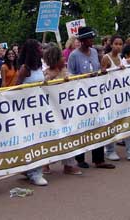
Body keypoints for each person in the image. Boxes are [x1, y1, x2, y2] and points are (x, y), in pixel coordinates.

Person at [68, 27, 115, 170]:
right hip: (81, 97)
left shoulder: (94, 52)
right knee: (82, 127)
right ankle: (80, 158)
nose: (92, 41)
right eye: (89, 38)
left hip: (96, 95)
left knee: (98, 124)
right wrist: (83, 78)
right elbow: (70, 75)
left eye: (92, 38)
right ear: (82, 41)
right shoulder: (74, 56)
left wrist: (101, 73)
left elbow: (97, 69)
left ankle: (99, 159)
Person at [101, 39, 130, 161]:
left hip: (122, 97)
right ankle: (110, 150)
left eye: (120, 44)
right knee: (112, 123)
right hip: (111, 97)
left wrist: (129, 65)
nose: (118, 46)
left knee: (128, 120)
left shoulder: (121, 58)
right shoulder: (106, 58)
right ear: (111, 45)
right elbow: (101, 75)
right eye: (116, 44)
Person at [42, 43, 82, 175]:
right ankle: (45, 163)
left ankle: (68, 164)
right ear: (54, 59)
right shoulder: (46, 74)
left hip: (66, 109)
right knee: (49, 136)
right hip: (51, 111)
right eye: (61, 57)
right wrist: (51, 78)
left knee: (68, 134)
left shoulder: (65, 71)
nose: (64, 59)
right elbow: (42, 88)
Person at [16, 39, 49, 186]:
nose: (42, 49)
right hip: (28, 109)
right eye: (39, 48)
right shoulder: (25, 68)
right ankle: (35, 173)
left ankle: (32, 170)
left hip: (39, 108)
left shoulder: (39, 66)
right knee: (33, 139)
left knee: (40, 138)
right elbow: (16, 86)